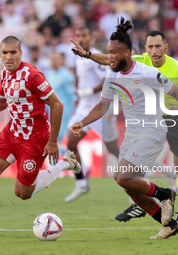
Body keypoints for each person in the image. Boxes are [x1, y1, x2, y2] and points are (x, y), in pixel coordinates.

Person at [71, 18, 178, 239]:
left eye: (113, 53)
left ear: (127, 53)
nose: (109, 57)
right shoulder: (112, 74)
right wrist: (82, 122)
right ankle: (170, 224)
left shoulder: (147, 73)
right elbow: (103, 105)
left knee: (121, 177)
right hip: (132, 134)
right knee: (129, 187)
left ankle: (166, 193)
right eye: (108, 52)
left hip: (152, 132)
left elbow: (175, 90)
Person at [0, 36, 81, 237]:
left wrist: (53, 141)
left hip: (34, 139)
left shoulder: (32, 75)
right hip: (12, 132)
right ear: (0, 54)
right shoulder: (5, 74)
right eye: (4, 52)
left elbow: (57, 105)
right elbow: (0, 103)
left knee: (23, 194)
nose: (8, 56)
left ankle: (65, 163)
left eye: (13, 52)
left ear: (20, 53)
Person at [65, 26, 119, 202]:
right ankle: (81, 182)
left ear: (91, 36)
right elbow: (82, 80)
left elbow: (106, 81)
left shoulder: (96, 56)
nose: (81, 38)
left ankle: (141, 178)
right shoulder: (79, 57)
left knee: (115, 150)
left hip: (99, 108)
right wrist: (79, 95)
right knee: (71, 141)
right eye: (78, 35)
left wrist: (87, 92)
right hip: (83, 108)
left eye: (84, 35)